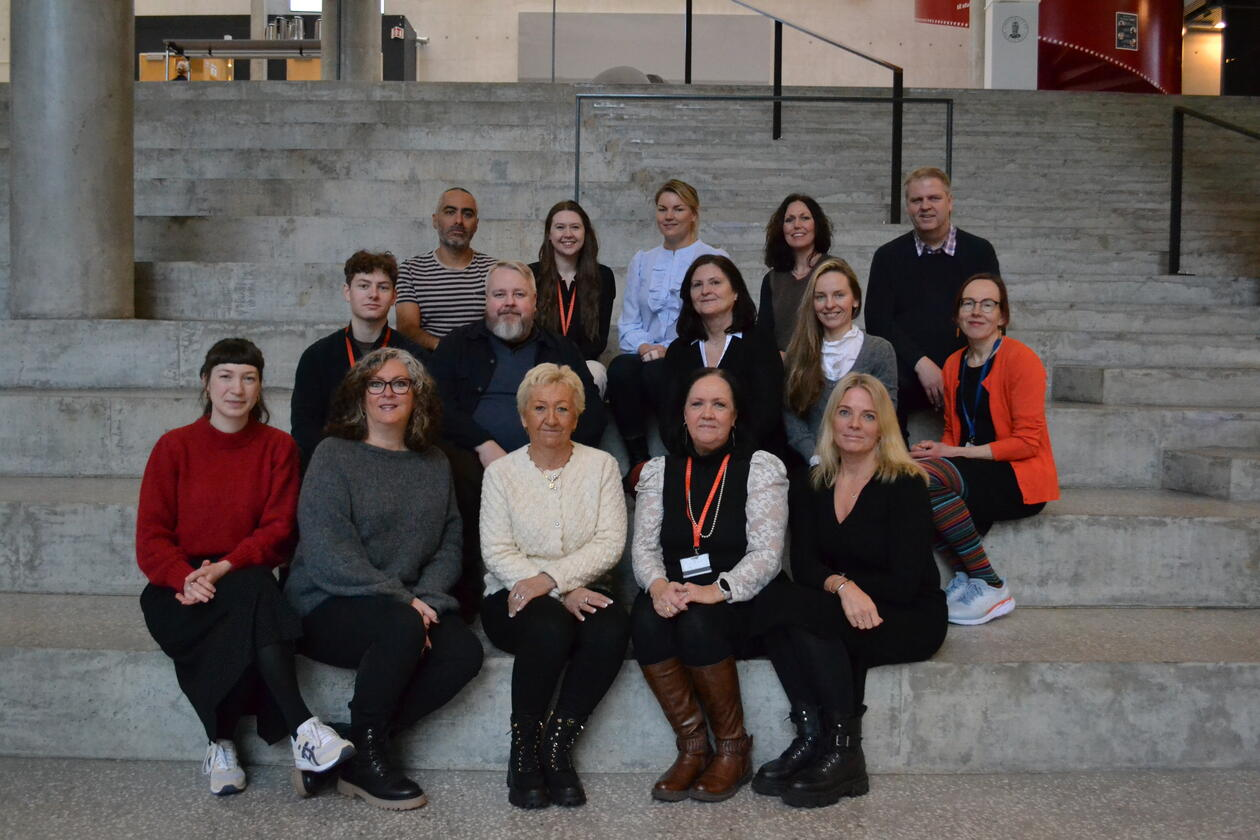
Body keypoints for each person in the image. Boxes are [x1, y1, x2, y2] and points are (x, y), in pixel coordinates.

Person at [136, 338, 354, 797]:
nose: (236, 388)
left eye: (248, 378)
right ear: (206, 383)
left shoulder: (278, 447)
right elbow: (151, 538)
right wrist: (184, 577)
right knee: (254, 605)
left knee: (252, 592)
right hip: (177, 588)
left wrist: (224, 566)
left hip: (242, 573)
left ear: (259, 387)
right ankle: (303, 731)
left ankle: (220, 743)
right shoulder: (174, 447)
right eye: (225, 376)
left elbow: (278, 531)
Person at [285, 347, 484, 810]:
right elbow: (328, 552)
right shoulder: (333, 455)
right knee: (401, 625)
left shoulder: (433, 462)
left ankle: (353, 744)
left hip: (405, 607)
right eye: (376, 384)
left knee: (463, 652)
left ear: (418, 395)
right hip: (326, 602)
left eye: (400, 383)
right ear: (360, 395)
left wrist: (426, 599)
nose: (388, 393)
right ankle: (370, 763)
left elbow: (449, 541)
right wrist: (405, 603)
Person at [753, 373, 947, 808]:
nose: (855, 424)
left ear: (882, 428)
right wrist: (843, 588)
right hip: (845, 602)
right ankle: (811, 736)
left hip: (907, 612)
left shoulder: (906, 483)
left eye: (867, 416)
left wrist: (846, 590)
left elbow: (905, 580)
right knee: (780, 603)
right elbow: (804, 565)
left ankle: (844, 751)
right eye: (845, 412)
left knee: (803, 614)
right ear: (831, 420)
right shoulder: (813, 482)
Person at [631, 368, 788, 803]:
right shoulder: (660, 471)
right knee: (645, 620)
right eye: (697, 403)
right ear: (682, 414)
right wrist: (658, 586)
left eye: (719, 404)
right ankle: (693, 747)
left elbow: (767, 554)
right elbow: (643, 548)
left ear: (735, 416)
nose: (707, 413)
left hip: (742, 594)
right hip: (676, 587)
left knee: (698, 622)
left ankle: (733, 749)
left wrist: (715, 590)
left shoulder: (759, 468)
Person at [479, 363, 630, 809]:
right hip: (510, 595)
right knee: (548, 625)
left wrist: (555, 581)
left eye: (562, 408)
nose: (551, 418)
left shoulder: (602, 466)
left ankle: (557, 746)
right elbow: (497, 550)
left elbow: (610, 543)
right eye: (540, 408)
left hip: (584, 588)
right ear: (523, 416)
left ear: (577, 416)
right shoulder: (501, 473)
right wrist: (561, 590)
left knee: (611, 627)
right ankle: (524, 752)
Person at [429, 261, 606, 618]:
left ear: (535, 302)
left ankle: (560, 581)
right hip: (474, 456)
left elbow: (591, 412)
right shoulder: (457, 344)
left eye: (519, 294)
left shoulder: (560, 348)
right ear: (486, 301)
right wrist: (483, 444)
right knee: (452, 467)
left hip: (546, 454)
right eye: (500, 294)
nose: (509, 302)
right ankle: (465, 595)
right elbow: (435, 406)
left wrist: (545, 451)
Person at [910, 273, 1059, 625]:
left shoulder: (1021, 360)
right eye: (968, 303)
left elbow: (1027, 443)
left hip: (1018, 479)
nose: (976, 311)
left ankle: (990, 583)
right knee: (906, 472)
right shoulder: (953, 363)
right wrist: (940, 448)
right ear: (957, 315)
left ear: (1002, 316)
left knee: (924, 477)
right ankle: (967, 576)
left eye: (988, 304)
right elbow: (954, 431)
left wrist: (956, 454)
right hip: (977, 470)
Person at [865, 167, 1000, 437]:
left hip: (965, 361)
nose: (925, 206)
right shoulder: (888, 256)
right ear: (908, 206)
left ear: (950, 202)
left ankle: (970, 455)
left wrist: (953, 368)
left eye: (934, 198)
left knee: (990, 377)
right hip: (908, 368)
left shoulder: (979, 251)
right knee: (879, 375)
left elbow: (991, 313)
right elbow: (878, 321)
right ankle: (896, 459)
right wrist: (921, 363)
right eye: (917, 200)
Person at [607, 179, 729, 468]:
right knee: (621, 369)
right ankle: (638, 458)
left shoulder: (713, 258)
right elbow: (629, 321)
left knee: (658, 371)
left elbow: (714, 321)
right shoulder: (642, 260)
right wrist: (644, 346)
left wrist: (668, 349)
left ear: (694, 214)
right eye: (663, 209)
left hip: (690, 349)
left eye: (678, 209)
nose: (669, 216)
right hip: (646, 351)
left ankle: (679, 451)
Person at [290, 249, 426, 470]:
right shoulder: (316, 356)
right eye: (364, 285)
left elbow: (423, 420)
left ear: (394, 296)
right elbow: (304, 428)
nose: (373, 294)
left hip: (396, 464)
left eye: (383, 287)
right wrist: (341, 465)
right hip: (335, 466)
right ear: (347, 292)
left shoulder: (415, 357)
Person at [659, 254, 785, 457]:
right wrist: (696, 453)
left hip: (750, 457)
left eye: (715, 282)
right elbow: (669, 417)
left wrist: (724, 456)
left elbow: (767, 414)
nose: (705, 291)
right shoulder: (678, 350)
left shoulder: (760, 342)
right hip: (692, 457)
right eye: (697, 285)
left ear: (735, 292)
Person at [782, 258, 898, 465]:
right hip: (812, 465)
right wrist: (815, 457)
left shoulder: (879, 350)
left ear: (855, 300)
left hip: (866, 464)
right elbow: (791, 415)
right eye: (820, 297)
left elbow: (885, 413)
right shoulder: (798, 352)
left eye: (839, 295)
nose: (829, 305)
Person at [530, 200, 617, 395]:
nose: (568, 234)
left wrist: (568, 367)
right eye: (560, 227)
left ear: (585, 233)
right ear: (549, 234)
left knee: (597, 372)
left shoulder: (603, 277)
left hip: (583, 364)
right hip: (540, 364)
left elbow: (598, 341)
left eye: (575, 227)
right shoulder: (531, 275)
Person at [395, 187, 496, 351]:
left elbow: (498, 326)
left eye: (467, 214)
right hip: (429, 362)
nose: (459, 221)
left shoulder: (494, 271)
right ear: (435, 220)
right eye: (450, 212)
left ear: (476, 225)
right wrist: (446, 349)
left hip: (481, 361)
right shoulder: (411, 270)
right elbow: (407, 328)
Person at [757, 193, 835, 352]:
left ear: (817, 225)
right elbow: (764, 333)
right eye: (789, 220)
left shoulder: (833, 269)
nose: (797, 225)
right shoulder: (772, 279)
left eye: (805, 218)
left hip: (827, 361)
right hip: (781, 364)